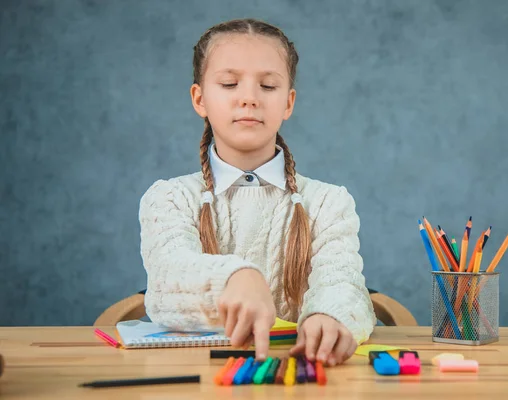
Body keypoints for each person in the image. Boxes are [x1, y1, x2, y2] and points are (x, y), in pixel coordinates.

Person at [139, 18, 375, 366]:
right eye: (230, 83)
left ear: (288, 103)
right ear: (199, 98)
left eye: (267, 86)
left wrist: (331, 315)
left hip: (297, 375)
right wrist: (237, 276)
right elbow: (165, 286)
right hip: (200, 377)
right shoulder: (169, 198)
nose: (249, 98)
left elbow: (342, 283)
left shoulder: (328, 202)